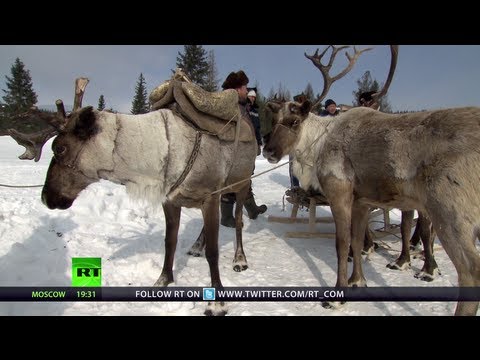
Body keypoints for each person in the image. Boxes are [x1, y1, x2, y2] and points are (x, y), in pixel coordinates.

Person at [220, 70, 267, 227]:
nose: (247, 91)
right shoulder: (229, 107)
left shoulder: (243, 107)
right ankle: (226, 217)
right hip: (233, 157)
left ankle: (252, 210)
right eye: (245, 88)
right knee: (230, 185)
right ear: (237, 89)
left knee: (245, 182)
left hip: (245, 155)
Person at [246, 87, 263, 156]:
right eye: (251, 96)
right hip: (244, 140)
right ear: (247, 96)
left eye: (254, 97)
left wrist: (259, 143)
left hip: (253, 141)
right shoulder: (243, 108)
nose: (253, 98)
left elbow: (257, 128)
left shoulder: (255, 111)